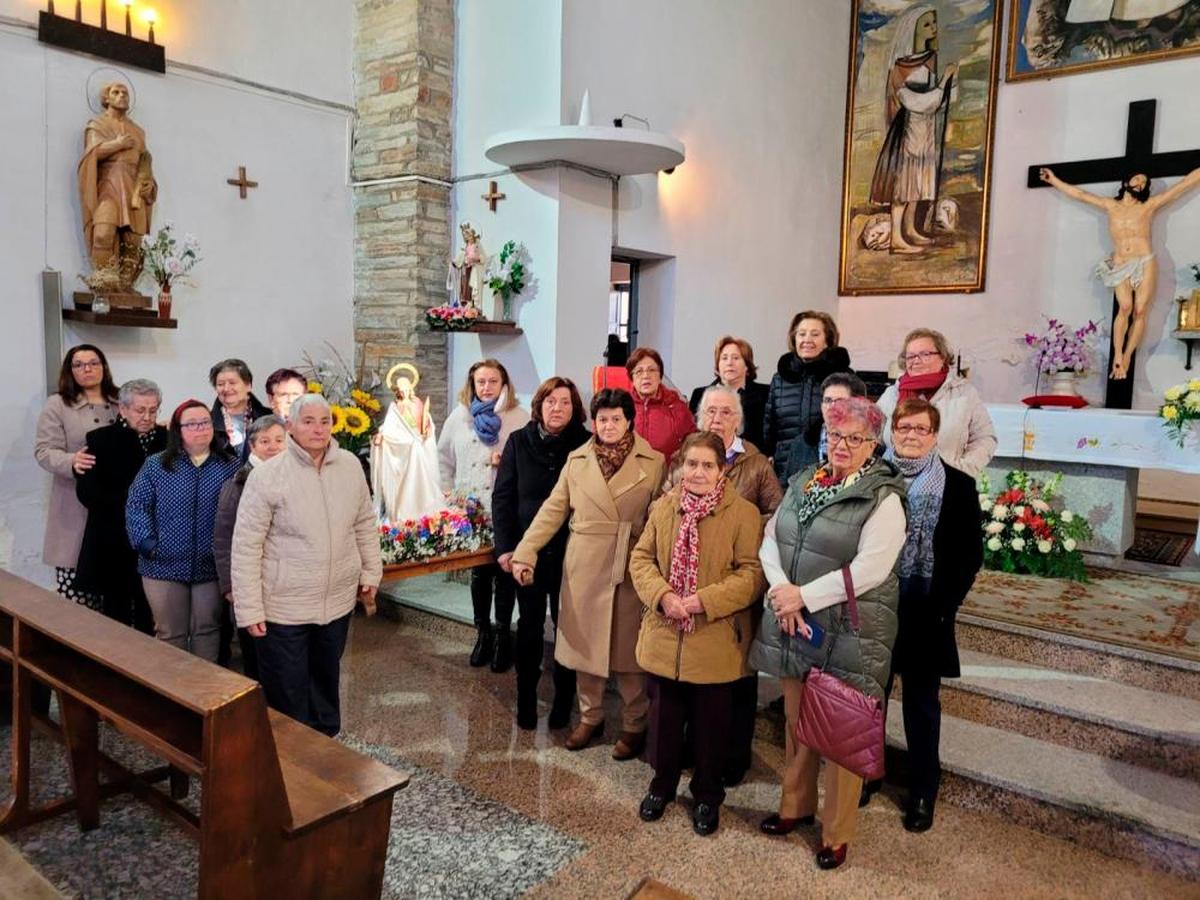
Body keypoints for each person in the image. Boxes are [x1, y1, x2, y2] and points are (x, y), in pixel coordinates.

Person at [749, 397, 907, 871]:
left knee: (840, 735)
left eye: (853, 438)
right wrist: (781, 591)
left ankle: (836, 833)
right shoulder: (804, 480)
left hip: (848, 629)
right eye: (835, 436)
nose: (841, 445)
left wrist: (804, 597)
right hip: (796, 617)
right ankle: (795, 807)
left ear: (873, 446)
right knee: (799, 726)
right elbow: (771, 538)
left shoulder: (885, 498)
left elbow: (872, 568)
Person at [511, 389, 664, 758]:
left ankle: (634, 724)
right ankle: (590, 718)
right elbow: (553, 509)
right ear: (593, 422)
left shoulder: (654, 461)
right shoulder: (576, 460)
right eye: (602, 419)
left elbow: (661, 518)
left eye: (616, 419)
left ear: (629, 421)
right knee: (586, 651)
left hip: (630, 565)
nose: (608, 426)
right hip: (584, 566)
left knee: (629, 655)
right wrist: (525, 550)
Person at [630, 432, 765, 836]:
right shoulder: (665, 507)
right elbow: (641, 558)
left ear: (722, 469)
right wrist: (664, 595)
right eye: (692, 464)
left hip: (715, 638)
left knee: (711, 729)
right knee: (665, 722)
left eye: (708, 465)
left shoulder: (743, 513)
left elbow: (752, 575)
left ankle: (707, 796)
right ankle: (662, 785)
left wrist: (701, 601)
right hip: (664, 633)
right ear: (680, 467)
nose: (699, 472)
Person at [231, 394, 383, 736]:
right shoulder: (268, 475)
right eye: (308, 421)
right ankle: (292, 769)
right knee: (288, 696)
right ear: (290, 427)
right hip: (284, 606)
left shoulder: (349, 466)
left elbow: (363, 523)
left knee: (326, 687)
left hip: (336, 602)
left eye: (325, 421)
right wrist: (250, 608)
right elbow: (246, 546)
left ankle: (327, 760)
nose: (318, 429)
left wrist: (372, 572)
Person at [876, 397, 982, 832]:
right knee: (871, 700)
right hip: (876, 606)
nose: (912, 436)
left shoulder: (958, 485)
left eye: (921, 429)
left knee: (921, 705)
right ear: (893, 432)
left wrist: (944, 606)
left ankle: (922, 790)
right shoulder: (874, 477)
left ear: (935, 435)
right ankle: (867, 773)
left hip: (925, 610)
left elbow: (968, 555)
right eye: (904, 428)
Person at [691, 385, 782, 785]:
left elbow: (777, 514)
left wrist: (735, 529)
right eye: (711, 410)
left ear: (738, 419)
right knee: (696, 670)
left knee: (738, 673)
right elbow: (667, 500)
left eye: (726, 411)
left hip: (738, 578)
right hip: (693, 580)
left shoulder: (757, 464)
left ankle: (735, 756)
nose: (717, 417)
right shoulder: (688, 454)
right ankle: (694, 747)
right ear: (700, 416)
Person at [493, 377, 591, 730]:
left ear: (574, 408)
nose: (557, 408)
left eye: (565, 402)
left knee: (567, 629)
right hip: (528, 552)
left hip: (571, 553)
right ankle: (525, 699)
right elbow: (503, 498)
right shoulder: (520, 441)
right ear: (539, 405)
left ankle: (564, 701)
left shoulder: (586, 445)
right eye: (551, 401)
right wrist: (506, 548)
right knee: (531, 627)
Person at [1039, 166, 1200, 378]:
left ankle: (1127, 357)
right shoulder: (1110, 205)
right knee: (1124, 307)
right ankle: (1117, 355)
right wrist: (1054, 180)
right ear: (1126, 182)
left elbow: (1182, 186)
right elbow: (1080, 194)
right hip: (1120, 263)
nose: (1141, 184)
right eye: (1137, 179)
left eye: (1144, 182)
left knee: (1140, 311)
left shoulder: (1148, 206)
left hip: (1145, 261)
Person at [125, 400, 241, 661]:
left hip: (210, 567)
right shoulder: (157, 465)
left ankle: (204, 694)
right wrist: (147, 543)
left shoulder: (230, 467)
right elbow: (137, 505)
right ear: (178, 430)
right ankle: (171, 694)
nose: (200, 428)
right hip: (162, 565)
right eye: (192, 424)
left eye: (205, 422)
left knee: (207, 630)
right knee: (170, 633)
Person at [438, 359, 529, 671]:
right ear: (472, 384)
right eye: (481, 382)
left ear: (504, 384)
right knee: (479, 573)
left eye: (493, 381)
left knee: (504, 572)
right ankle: (483, 633)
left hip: (507, 509)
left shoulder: (518, 417)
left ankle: (504, 633)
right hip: (472, 508)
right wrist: (448, 491)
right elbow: (444, 458)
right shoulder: (460, 416)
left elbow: (528, 462)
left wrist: (505, 462)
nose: (487, 387)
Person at [74, 378, 167, 632]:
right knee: (117, 616)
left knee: (152, 613)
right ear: (123, 409)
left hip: (153, 540)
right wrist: (134, 507)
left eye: (153, 410)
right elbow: (88, 493)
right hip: (112, 539)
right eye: (140, 410)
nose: (147, 417)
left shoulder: (167, 440)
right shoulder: (100, 440)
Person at [868, 6, 958, 255]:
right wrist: (942, 84)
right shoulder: (901, 66)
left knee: (918, 183)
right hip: (908, 130)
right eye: (927, 24)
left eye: (934, 23)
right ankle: (896, 237)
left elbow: (940, 103)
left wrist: (951, 82)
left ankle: (910, 229)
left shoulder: (929, 60)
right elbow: (916, 102)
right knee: (904, 184)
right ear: (915, 28)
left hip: (925, 131)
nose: (933, 29)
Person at [35, 344, 119, 611]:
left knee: (116, 597)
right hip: (75, 506)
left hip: (115, 508)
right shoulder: (58, 404)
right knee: (77, 603)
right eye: (79, 364)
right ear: (70, 371)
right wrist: (72, 461)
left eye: (93, 363)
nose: (87, 369)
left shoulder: (121, 401)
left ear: (103, 367)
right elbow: (43, 450)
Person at [212, 415, 288, 680]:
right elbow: (223, 539)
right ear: (252, 446)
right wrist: (230, 586)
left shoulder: (293, 478)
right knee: (257, 662)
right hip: (250, 584)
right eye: (265, 441)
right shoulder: (239, 483)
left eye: (280, 440)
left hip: (283, 586)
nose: (273, 446)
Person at [876, 328, 996, 477]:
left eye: (925, 354)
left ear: (943, 357)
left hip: (948, 483)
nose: (916, 360)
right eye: (910, 356)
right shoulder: (891, 394)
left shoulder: (964, 393)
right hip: (895, 483)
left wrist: (962, 471)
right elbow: (873, 440)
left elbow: (984, 438)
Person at [762, 311, 853, 483]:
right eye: (801, 334)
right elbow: (770, 424)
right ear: (794, 339)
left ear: (828, 340)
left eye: (815, 334)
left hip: (828, 469)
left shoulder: (844, 378)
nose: (807, 340)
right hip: (785, 468)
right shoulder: (780, 378)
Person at [77, 81, 156, 275]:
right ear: (106, 99)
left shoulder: (138, 132)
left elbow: (145, 164)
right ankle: (104, 282)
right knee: (103, 235)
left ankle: (127, 286)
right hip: (108, 185)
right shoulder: (97, 125)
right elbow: (92, 154)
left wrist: (149, 186)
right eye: (116, 92)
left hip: (132, 188)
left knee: (133, 242)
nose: (122, 96)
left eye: (125, 93)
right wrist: (117, 144)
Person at [372, 363, 443, 523]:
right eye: (400, 389)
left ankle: (424, 514)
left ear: (410, 388)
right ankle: (404, 515)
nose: (403, 391)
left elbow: (426, 422)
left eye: (405, 388)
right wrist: (382, 435)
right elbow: (389, 426)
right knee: (404, 486)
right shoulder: (395, 407)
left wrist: (427, 428)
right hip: (403, 447)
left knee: (422, 481)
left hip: (417, 445)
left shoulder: (417, 403)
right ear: (397, 390)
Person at [688, 336, 770, 450]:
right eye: (724, 358)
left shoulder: (765, 394)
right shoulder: (699, 395)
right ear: (718, 365)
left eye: (736, 358)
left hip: (751, 460)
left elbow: (770, 433)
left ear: (747, 365)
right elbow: (693, 435)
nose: (729, 363)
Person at [626, 347, 695, 460]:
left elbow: (693, 443)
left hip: (667, 475)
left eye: (652, 370)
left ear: (660, 376)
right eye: (639, 371)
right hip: (630, 475)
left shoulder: (677, 407)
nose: (645, 376)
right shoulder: (623, 407)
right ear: (632, 379)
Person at [795, 372, 869, 472]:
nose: (832, 407)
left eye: (840, 401)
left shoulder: (869, 445)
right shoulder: (801, 443)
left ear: (857, 406)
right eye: (827, 400)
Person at [208, 358, 272, 454]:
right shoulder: (207, 422)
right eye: (220, 384)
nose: (226, 388)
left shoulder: (269, 417)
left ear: (248, 385)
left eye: (232, 383)